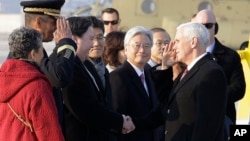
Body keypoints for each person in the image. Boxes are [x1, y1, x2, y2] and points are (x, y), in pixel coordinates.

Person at [7, 0, 77, 132]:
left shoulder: (33, 50)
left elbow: (50, 70)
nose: (57, 28)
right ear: (39, 22)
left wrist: (61, 46)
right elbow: (60, 77)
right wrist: (67, 43)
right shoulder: (27, 53)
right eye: (54, 22)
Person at [62, 16, 135, 141]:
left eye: (100, 37)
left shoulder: (102, 70)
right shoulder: (73, 67)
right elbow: (87, 110)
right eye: (91, 38)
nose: (95, 43)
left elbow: (107, 106)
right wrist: (119, 121)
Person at [0, 27, 64, 141]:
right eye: (41, 50)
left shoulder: (2, 79)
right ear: (33, 54)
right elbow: (49, 132)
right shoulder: (37, 86)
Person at [109, 26, 171, 141]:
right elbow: (117, 116)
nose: (142, 50)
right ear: (126, 49)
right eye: (137, 45)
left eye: (147, 46)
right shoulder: (118, 76)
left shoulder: (148, 73)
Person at [192, 9, 246, 124]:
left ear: (215, 28)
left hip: (221, 119)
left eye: (208, 25)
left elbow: (238, 88)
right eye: (199, 26)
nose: (204, 30)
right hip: (192, 120)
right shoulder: (186, 55)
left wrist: (212, 97)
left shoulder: (231, 56)